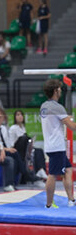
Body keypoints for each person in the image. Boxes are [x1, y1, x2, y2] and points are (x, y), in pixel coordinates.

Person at [40, 79, 76, 208]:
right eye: (59, 89)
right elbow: (72, 126)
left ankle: (71, 200)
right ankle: (48, 204)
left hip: (51, 144)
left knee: (68, 169)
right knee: (53, 175)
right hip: (57, 146)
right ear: (55, 91)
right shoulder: (57, 107)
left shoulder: (44, 105)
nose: (61, 91)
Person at [0, 107, 37, 185]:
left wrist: (10, 149)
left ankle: (20, 178)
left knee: (16, 153)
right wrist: (5, 149)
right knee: (11, 159)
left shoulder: (3, 128)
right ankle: (15, 180)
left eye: (0, 117)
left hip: (4, 150)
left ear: (3, 118)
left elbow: (7, 142)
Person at [9, 110, 47, 180]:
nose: (20, 117)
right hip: (18, 149)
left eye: (21, 115)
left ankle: (41, 170)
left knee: (39, 151)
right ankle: (32, 174)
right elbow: (12, 143)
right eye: (17, 115)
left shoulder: (23, 127)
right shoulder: (13, 128)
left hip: (26, 148)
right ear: (15, 117)